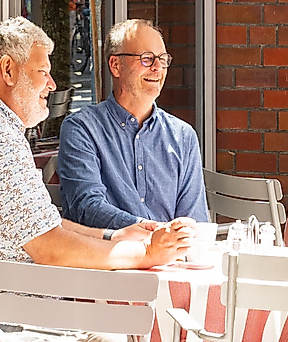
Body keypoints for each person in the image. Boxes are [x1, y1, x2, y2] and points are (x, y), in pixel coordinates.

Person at [0, 17, 193, 325]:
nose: (52, 84)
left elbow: (42, 225)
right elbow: (49, 247)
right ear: (8, 70)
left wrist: (116, 236)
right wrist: (145, 253)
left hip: (0, 305)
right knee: (124, 330)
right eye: (43, 71)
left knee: (122, 329)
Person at [56, 19, 209, 228]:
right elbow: (86, 209)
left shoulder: (183, 136)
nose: (157, 68)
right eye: (146, 59)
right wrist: (152, 233)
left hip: (170, 258)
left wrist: (169, 240)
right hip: (107, 257)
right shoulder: (82, 129)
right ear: (115, 66)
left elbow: (194, 222)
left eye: (162, 59)